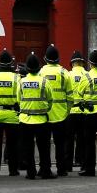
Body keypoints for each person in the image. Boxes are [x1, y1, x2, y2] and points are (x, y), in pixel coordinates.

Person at [18, 53, 54, 179]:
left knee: (28, 148)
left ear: (27, 68)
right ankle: (45, 171)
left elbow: (19, 99)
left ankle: (30, 172)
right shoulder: (45, 82)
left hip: (25, 120)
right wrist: (44, 109)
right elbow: (50, 100)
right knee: (44, 148)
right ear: (39, 68)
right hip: (41, 119)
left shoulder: (21, 82)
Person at [40, 44, 72, 176]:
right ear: (58, 58)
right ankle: (61, 169)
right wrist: (67, 111)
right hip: (61, 115)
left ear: (45, 58)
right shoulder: (64, 73)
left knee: (44, 145)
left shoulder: (41, 72)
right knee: (60, 144)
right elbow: (70, 96)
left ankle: (45, 168)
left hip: (44, 115)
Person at [0, 50, 21, 176]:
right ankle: (13, 170)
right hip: (12, 115)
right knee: (12, 144)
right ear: (10, 63)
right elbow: (20, 97)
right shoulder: (16, 77)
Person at [65, 51, 90, 173]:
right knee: (82, 138)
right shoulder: (87, 75)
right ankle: (80, 161)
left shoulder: (68, 75)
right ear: (82, 63)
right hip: (84, 111)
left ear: (72, 63)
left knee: (68, 139)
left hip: (70, 111)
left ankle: (68, 164)